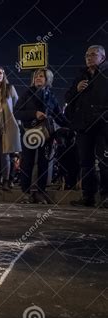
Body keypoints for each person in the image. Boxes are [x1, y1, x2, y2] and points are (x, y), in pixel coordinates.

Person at [15, 69, 68, 204]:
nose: (38, 78)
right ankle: (26, 193)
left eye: (41, 76)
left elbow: (58, 115)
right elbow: (17, 112)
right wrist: (34, 113)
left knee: (44, 164)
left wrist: (71, 126)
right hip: (29, 133)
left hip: (46, 134)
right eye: (36, 76)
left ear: (47, 79)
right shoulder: (27, 93)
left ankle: (40, 193)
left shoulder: (51, 96)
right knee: (27, 163)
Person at [65, 45, 108, 207]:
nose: (89, 57)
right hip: (83, 126)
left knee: (105, 161)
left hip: (103, 126)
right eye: (87, 55)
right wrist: (77, 90)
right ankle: (88, 196)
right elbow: (68, 96)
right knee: (85, 162)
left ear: (102, 57)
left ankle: (105, 196)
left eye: (93, 54)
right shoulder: (81, 75)